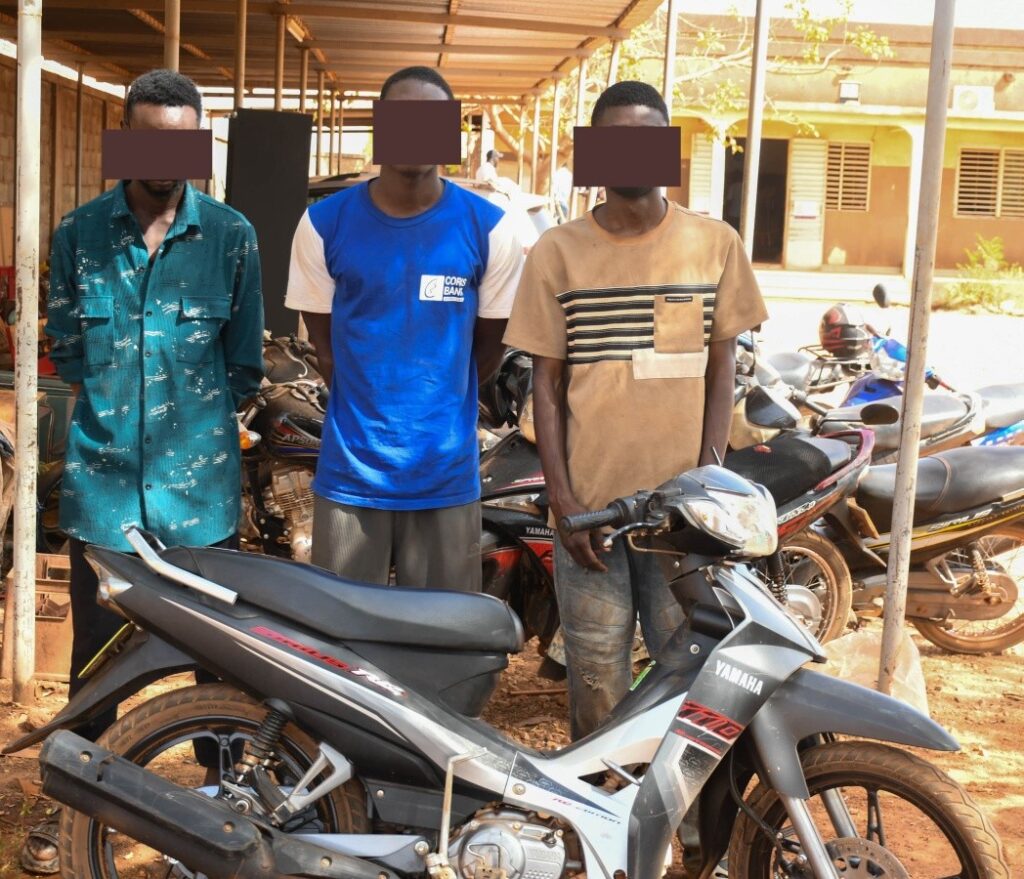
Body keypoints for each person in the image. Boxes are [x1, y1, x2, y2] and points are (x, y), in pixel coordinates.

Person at [25, 69, 264, 874]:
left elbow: (244, 364)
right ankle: (72, 810)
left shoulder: (231, 236)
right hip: (102, 499)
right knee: (96, 669)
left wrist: (189, 427)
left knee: (221, 666)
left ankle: (231, 812)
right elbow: (67, 350)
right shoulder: (79, 235)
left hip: (200, 503)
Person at [503, 81, 768, 740]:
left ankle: (678, 802)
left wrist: (706, 484)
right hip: (592, 515)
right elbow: (546, 386)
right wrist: (564, 502)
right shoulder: (557, 252)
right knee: (597, 678)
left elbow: (721, 371)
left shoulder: (714, 244)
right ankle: (599, 800)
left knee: (687, 676)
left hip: (683, 517)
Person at [285, 66, 523, 592]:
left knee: (441, 628)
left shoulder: (491, 229)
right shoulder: (322, 224)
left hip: (446, 476)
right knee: (343, 629)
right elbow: (325, 349)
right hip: (351, 476)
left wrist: (435, 399)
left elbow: (488, 352)